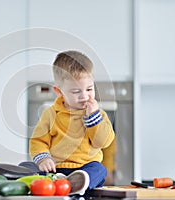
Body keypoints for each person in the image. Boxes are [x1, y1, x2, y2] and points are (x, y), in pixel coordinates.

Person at [29, 50, 115, 194]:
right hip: (56, 168)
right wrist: (44, 159)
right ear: (59, 91)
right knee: (30, 169)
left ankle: (77, 183)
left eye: (89, 89)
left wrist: (93, 119)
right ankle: (62, 182)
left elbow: (103, 142)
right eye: (76, 92)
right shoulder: (50, 114)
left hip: (86, 167)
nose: (85, 96)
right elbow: (38, 141)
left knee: (100, 170)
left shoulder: (98, 114)